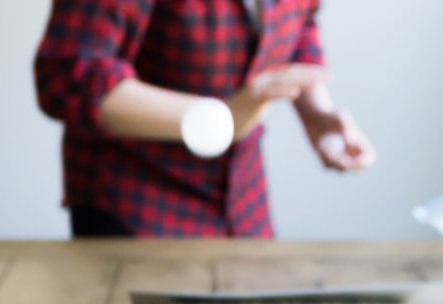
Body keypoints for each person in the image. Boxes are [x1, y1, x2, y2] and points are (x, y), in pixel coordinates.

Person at [34, 0, 376, 238]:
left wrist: (316, 111)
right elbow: (67, 76)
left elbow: (301, 20)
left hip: (243, 201)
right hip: (137, 207)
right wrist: (218, 120)